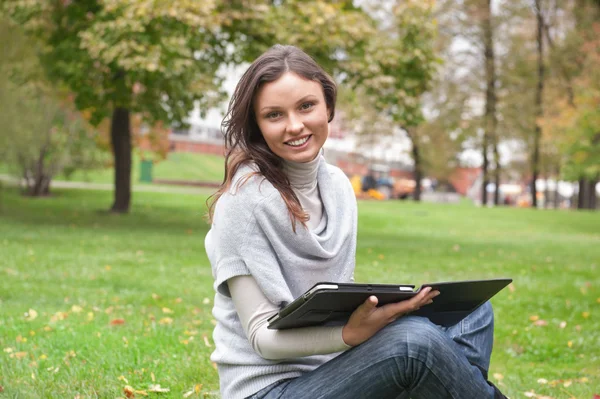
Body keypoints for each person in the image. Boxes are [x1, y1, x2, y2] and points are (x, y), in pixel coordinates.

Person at [205, 44, 507, 399]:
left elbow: (328, 298)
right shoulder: (241, 202)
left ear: (328, 106)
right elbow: (261, 339)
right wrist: (351, 334)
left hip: (335, 371)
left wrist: (382, 311)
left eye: (306, 106)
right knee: (415, 343)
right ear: (257, 124)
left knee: (472, 313)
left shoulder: (338, 188)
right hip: (269, 391)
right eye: (274, 115)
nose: (295, 125)